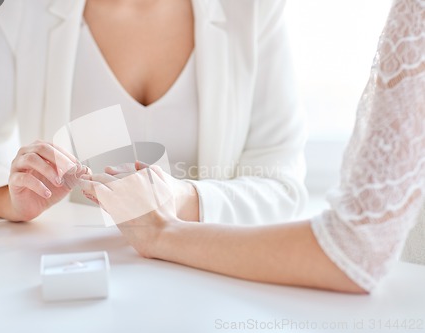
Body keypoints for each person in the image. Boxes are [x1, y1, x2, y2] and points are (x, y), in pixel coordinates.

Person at [83, 0, 425, 293]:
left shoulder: (253, 11)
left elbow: (348, 240)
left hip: (208, 293)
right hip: (74, 279)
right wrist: (27, 207)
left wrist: (172, 215)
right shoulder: (33, 13)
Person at [0, 0, 307, 225]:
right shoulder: (28, 10)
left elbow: (283, 185)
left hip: (209, 284)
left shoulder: (252, 10)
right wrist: (12, 199)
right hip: (71, 286)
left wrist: (179, 200)